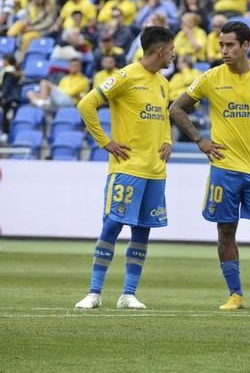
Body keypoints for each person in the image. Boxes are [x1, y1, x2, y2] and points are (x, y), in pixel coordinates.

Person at [169, 21, 250, 313]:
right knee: (226, 231)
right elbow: (176, 109)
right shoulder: (211, 78)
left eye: (229, 45)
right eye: (221, 45)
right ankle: (235, 294)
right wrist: (200, 140)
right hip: (223, 170)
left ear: (245, 46)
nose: (224, 50)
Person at [73, 26, 175, 310]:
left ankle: (128, 294)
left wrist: (167, 140)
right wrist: (105, 142)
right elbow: (86, 104)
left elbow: (163, 115)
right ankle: (94, 292)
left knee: (143, 230)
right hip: (128, 168)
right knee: (113, 225)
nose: (174, 55)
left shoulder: (163, 83)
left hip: (156, 170)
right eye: (172, 49)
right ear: (160, 50)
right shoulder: (126, 76)